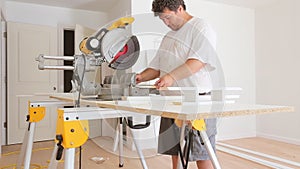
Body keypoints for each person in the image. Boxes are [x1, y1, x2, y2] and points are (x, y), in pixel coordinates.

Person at [136, 0, 221, 168]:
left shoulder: (201, 27)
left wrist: (170, 77)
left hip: (196, 101)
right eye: (162, 20)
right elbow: (156, 68)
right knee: (175, 151)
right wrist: (140, 77)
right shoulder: (168, 37)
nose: (166, 23)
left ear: (179, 9)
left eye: (167, 18)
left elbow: (198, 62)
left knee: (201, 152)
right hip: (171, 102)